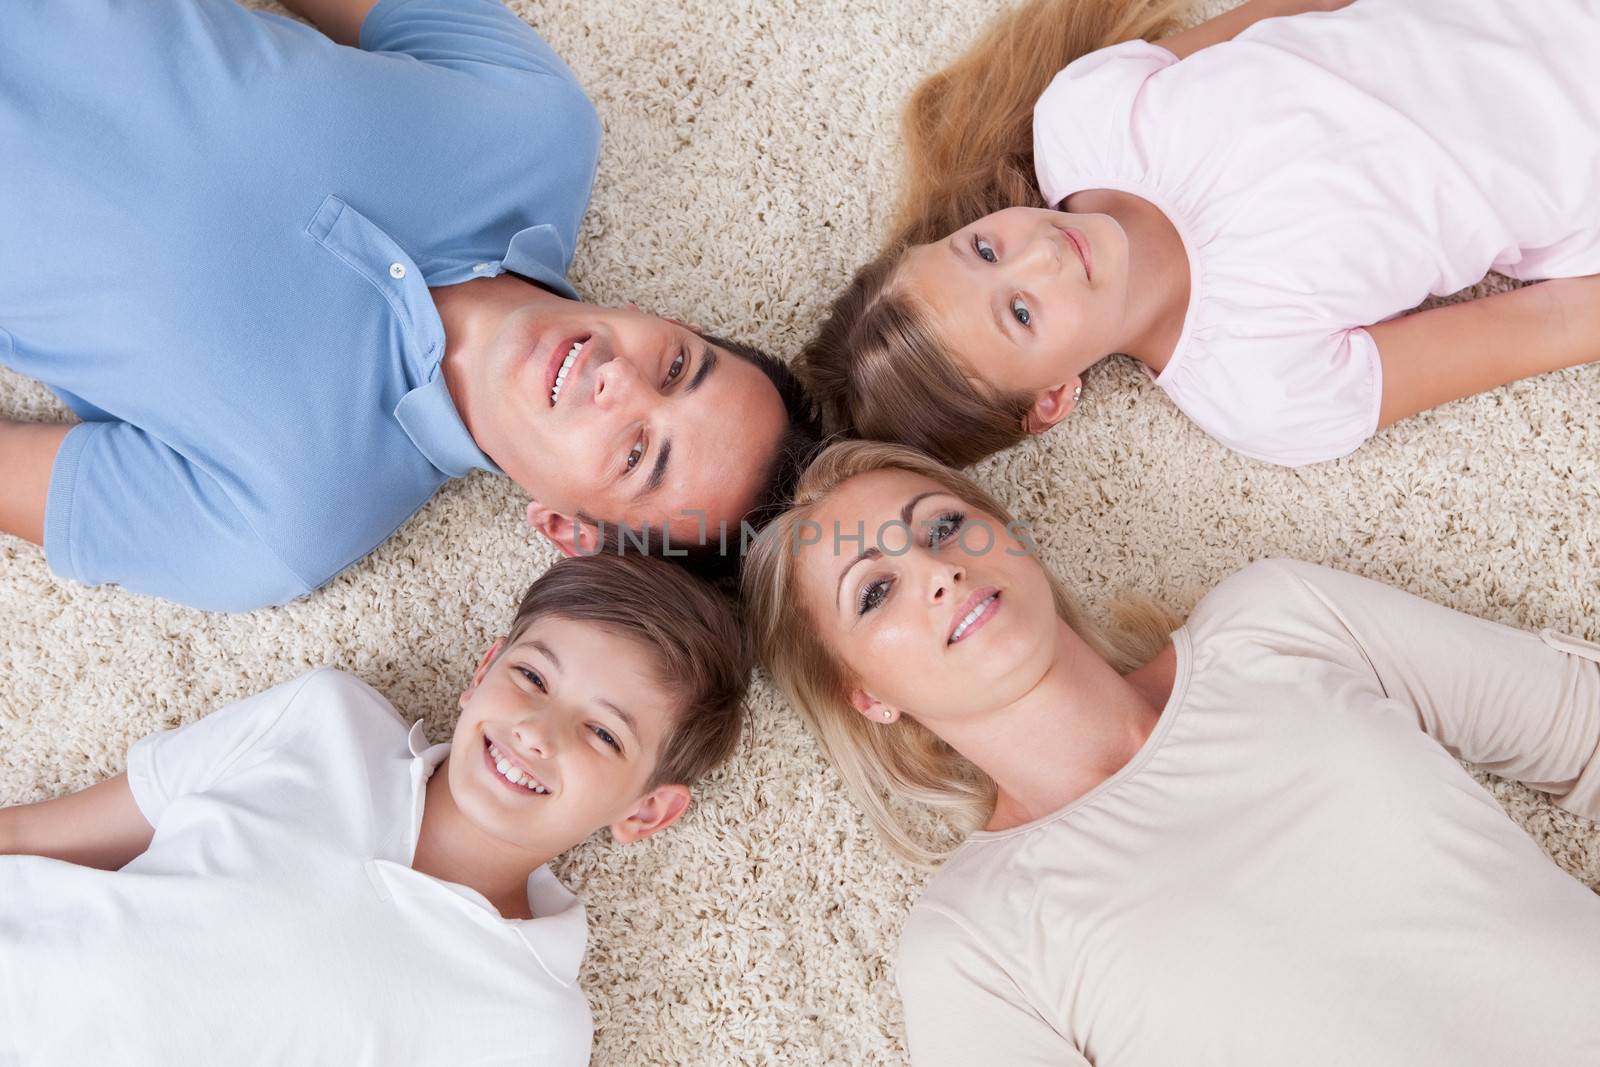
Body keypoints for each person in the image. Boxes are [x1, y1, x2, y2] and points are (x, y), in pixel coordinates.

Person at [742, 439, 1600, 1066]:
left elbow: (1582, 727)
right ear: (869, 696)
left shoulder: (1278, 622)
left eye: (943, 526)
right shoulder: (973, 942)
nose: (939, 572)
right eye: (876, 590)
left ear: (1014, 537)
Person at [0, 0, 820, 612]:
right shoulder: (539, 124)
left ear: (568, 529)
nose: (621, 380)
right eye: (677, 366)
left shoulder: (282, 525)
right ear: (658, 314)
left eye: (638, 453)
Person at [0, 552, 748, 1065]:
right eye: (531, 675)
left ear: (647, 812)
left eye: (602, 731)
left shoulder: (530, 1024)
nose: (534, 730)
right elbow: (37, 834)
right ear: (483, 669)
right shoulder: (323, 721)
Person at [800, 0, 1600, 468]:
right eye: (1020, 313)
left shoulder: (1084, 117)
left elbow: (1278, 16)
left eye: (981, 249)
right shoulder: (1262, 391)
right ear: (1052, 400)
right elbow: (1546, 325)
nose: (1039, 252)